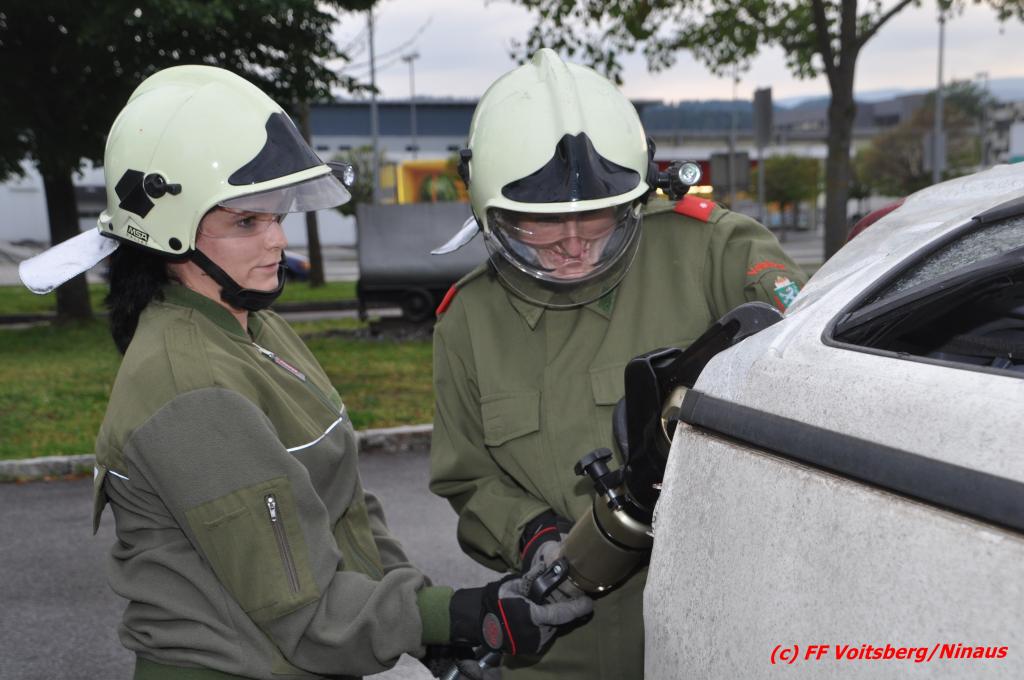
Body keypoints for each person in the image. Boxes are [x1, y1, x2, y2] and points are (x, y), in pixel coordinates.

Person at [19, 65, 592, 680]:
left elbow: (344, 506)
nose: (277, 241)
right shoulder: (191, 391)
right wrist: (456, 617)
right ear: (168, 233)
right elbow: (304, 611)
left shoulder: (252, 325)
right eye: (247, 221)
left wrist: (428, 626)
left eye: (277, 215)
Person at [429, 49, 808, 679]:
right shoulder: (469, 320)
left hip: (722, 630)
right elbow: (467, 478)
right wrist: (533, 534)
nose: (574, 245)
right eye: (542, 226)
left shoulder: (713, 252)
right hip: (564, 650)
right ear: (492, 216)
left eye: (596, 217)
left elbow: (817, 375)